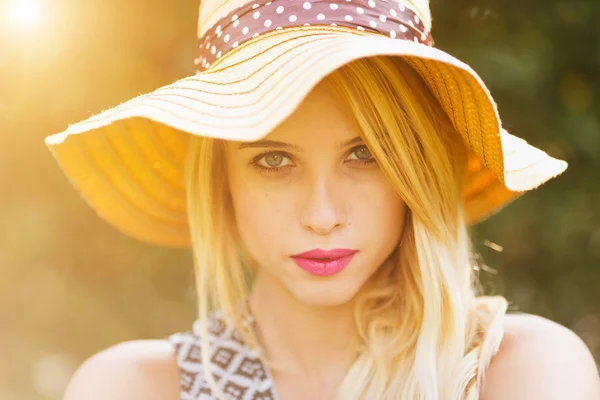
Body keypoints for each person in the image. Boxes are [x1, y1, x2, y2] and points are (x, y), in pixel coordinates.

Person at [47, 0, 600, 399]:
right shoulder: (133, 389)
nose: (322, 216)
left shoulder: (516, 373)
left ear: (416, 168)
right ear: (222, 181)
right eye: (273, 160)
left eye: (366, 155)